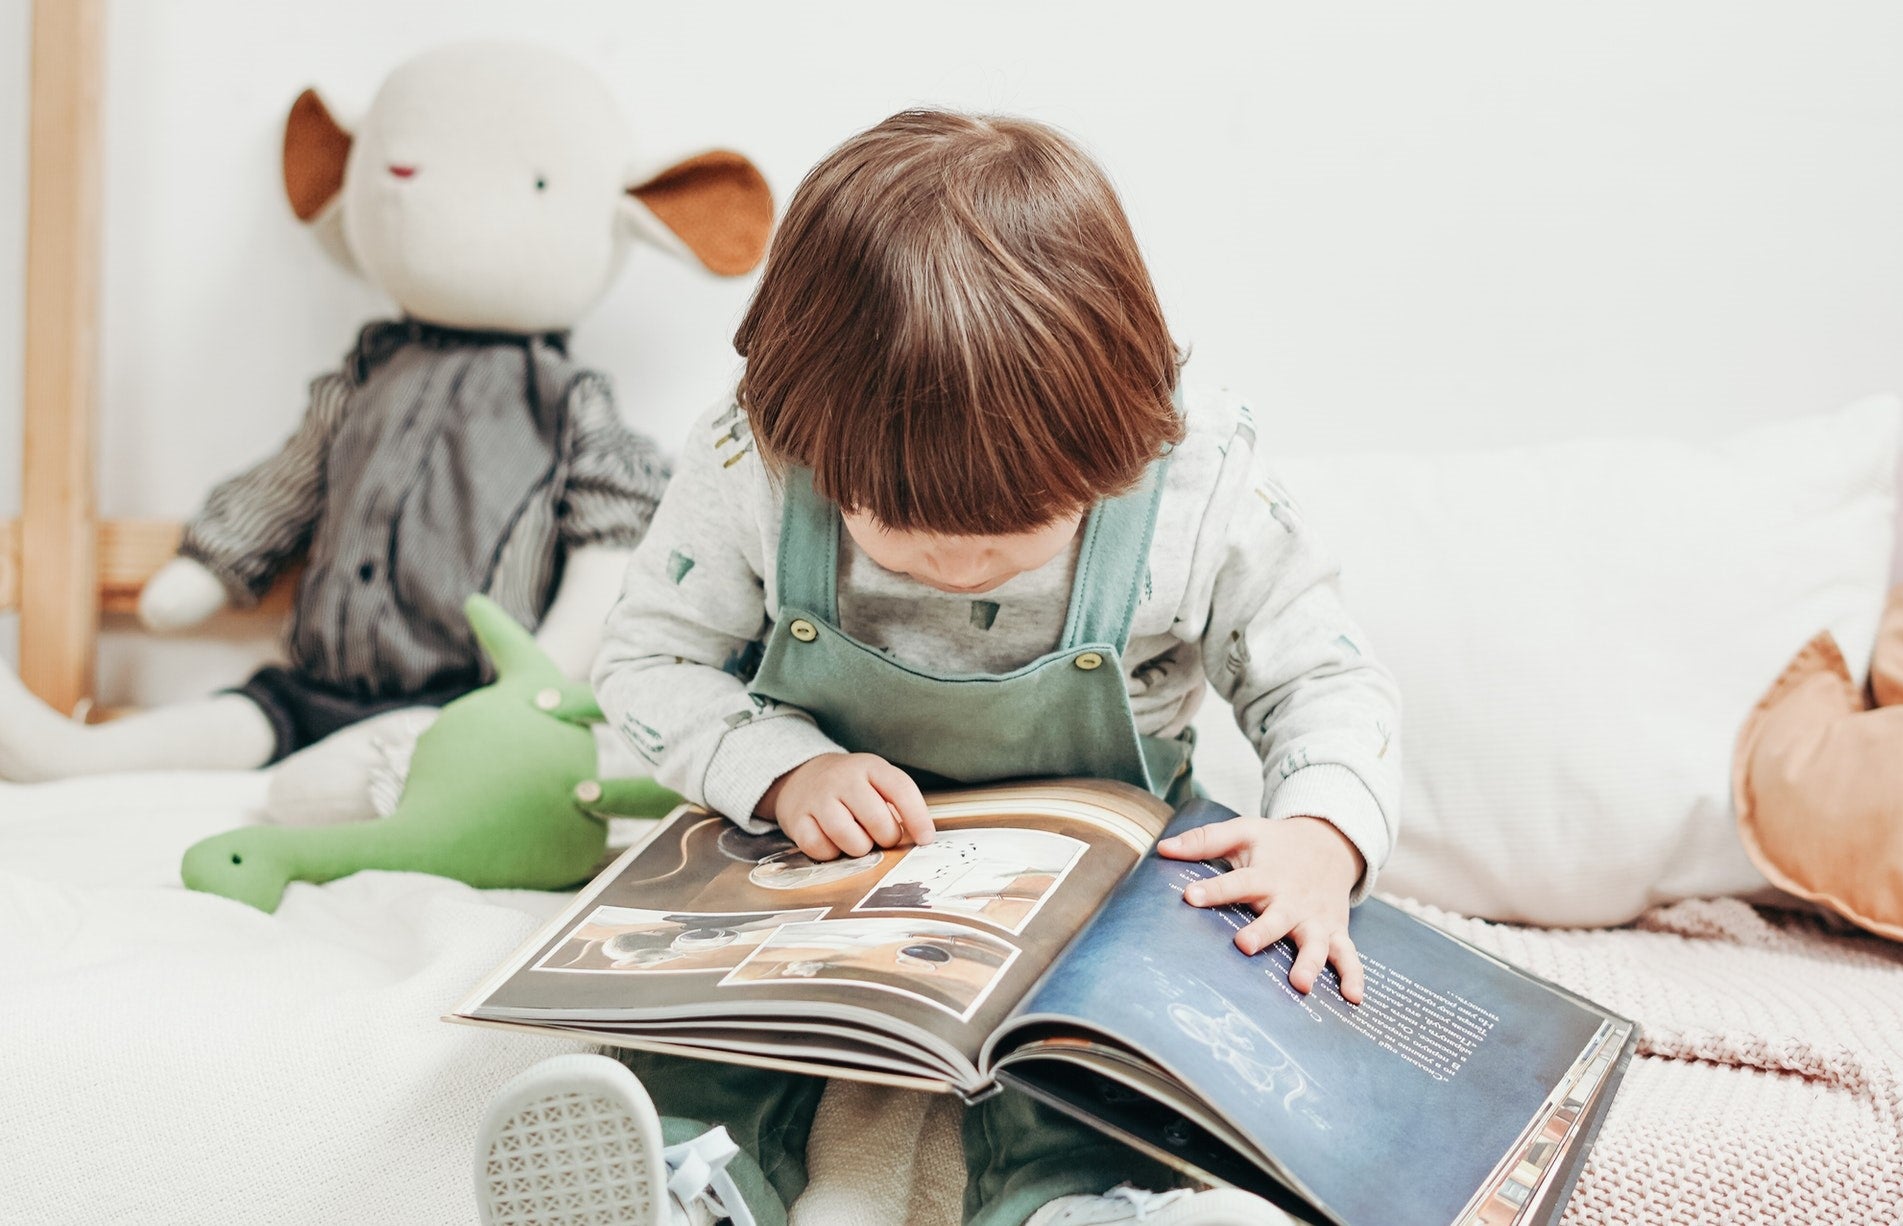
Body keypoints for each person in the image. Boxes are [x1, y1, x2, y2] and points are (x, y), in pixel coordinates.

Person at [475, 108, 1401, 1226]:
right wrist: (778, 770)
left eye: (1024, 528)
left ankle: (1096, 1204)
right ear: (796, 426)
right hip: (808, 865)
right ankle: (674, 1185)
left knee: (1096, 1075)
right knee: (704, 1042)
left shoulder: (1198, 479)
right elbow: (648, 658)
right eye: (898, 528)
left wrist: (1321, 838)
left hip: (1096, 887)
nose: (961, 566)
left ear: (1128, 422)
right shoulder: (751, 458)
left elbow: (1326, 680)